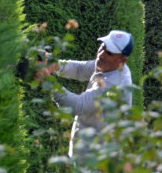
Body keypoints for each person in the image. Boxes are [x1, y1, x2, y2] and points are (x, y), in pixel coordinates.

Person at [35, 30, 134, 158]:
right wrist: (54, 64)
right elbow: (80, 69)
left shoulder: (116, 85)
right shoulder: (107, 65)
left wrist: (48, 82)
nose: (101, 55)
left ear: (122, 61)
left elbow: (76, 106)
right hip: (83, 149)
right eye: (102, 47)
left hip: (98, 160)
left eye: (109, 53)